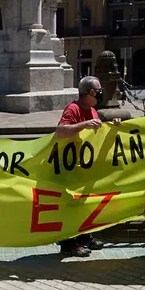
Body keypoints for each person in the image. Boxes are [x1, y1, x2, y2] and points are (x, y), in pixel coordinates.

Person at [54, 76, 109, 257]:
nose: (101, 93)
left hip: (86, 167)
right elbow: (61, 131)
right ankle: (69, 243)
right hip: (71, 167)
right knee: (72, 207)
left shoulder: (92, 110)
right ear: (91, 92)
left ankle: (86, 237)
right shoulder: (73, 109)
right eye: (98, 89)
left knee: (86, 205)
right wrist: (84, 124)